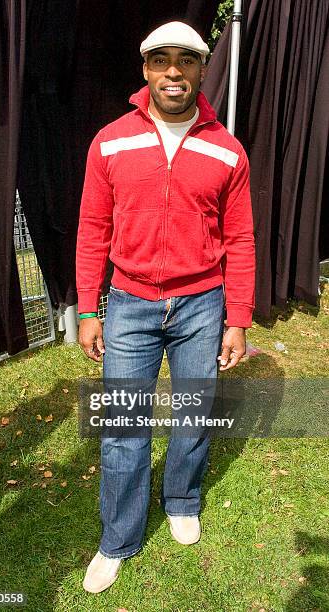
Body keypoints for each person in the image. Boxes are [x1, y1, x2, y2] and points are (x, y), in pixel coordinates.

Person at [76, 21, 255, 593]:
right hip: (129, 302)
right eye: (161, 60)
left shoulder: (226, 150)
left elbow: (242, 239)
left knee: (192, 416)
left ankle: (181, 498)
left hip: (202, 304)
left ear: (203, 69)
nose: (173, 71)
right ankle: (118, 538)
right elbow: (91, 228)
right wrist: (87, 309)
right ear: (145, 69)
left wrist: (239, 319)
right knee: (124, 425)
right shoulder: (110, 140)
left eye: (185, 60)